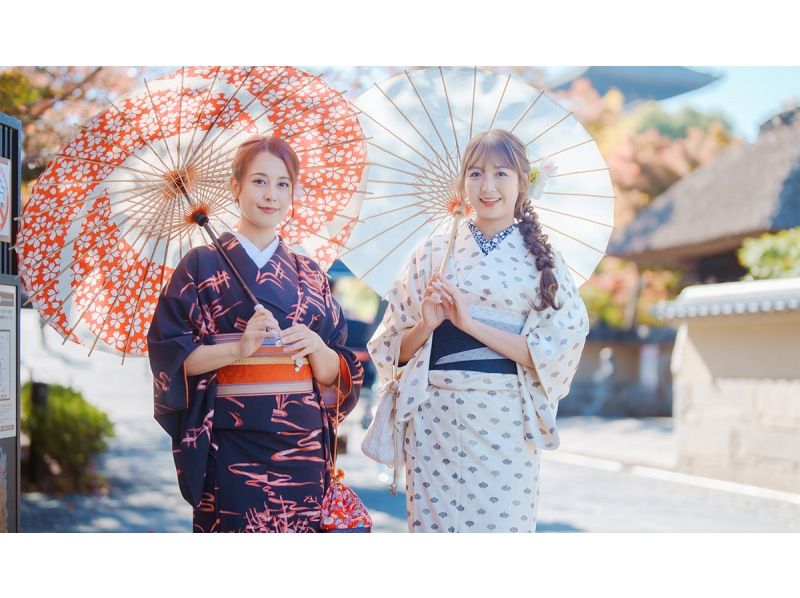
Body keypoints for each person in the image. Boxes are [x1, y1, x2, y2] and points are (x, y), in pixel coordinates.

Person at [367, 129, 589, 532]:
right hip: (436, 419)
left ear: (523, 183)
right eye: (475, 173)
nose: (487, 187)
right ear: (462, 182)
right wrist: (427, 324)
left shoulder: (545, 260)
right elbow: (392, 349)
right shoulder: (433, 250)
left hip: (505, 419)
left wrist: (471, 324)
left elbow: (555, 349)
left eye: (501, 174)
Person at [148, 135, 363, 532]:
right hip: (228, 444)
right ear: (236, 186)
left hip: (301, 447)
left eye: (283, 184)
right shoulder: (199, 266)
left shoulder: (310, 273)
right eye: (259, 181)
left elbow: (338, 373)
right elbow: (171, 357)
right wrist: (238, 350)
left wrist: (316, 347)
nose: (272, 195)